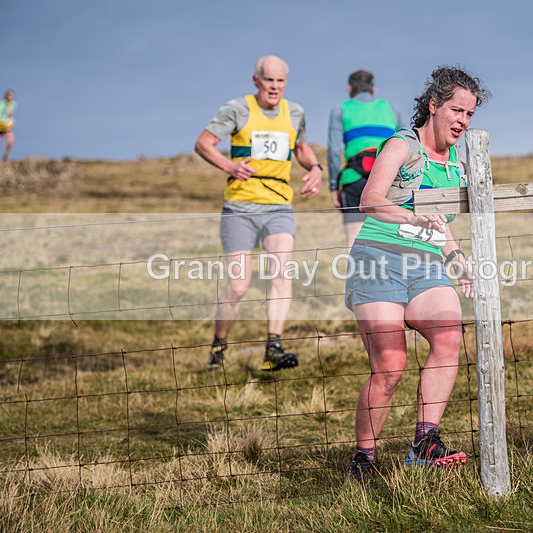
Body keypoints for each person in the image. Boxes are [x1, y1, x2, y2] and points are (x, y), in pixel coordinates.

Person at [344, 66, 488, 480]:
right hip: (378, 257)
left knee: (449, 336)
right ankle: (364, 460)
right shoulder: (401, 146)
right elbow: (370, 200)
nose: (462, 121)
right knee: (390, 367)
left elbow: (439, 225)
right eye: (457, 110)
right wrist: (411, 215)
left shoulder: (457, 164)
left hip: (425, 264)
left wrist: (457, 259)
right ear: (434, 106)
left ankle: (425, 443)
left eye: (469, 114)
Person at [194, 55, 324, 372]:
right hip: (240, 207)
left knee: (281, 273)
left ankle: (273, 347)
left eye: (280, 81)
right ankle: (218, 345)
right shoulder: (237, 109)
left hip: (279, 206)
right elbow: (203, 143)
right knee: (238, 285)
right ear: (256, 81)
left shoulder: (295, 112)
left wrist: (315, 167)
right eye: (269, 80)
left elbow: (300, 147)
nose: (274, 87)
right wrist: (229, 166)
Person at [327, 71, 404, 248]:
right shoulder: (391, 108)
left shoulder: (340, 109)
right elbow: (406, 143)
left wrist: (333, 186)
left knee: (354, 243)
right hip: (387, 181)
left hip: (354, 180)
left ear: (349, 89)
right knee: (387, 242)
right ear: (373, 89)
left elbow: (334, 151)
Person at [0, 90, 16, 162]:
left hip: (7, 127)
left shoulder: (13, 104)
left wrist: (12, 121)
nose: (10, 97)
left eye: (11, 96)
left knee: (10, 141)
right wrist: (4, 120)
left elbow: (9, 115)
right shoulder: (1, 104)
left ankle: (5, 156)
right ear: (6, 96)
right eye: (9, 95)